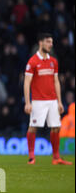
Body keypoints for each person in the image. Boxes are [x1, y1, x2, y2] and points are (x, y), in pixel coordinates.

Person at [24, 33, 72, 165]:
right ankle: (31, 157)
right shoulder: (32, 61)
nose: (51, 44)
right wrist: (28, 102)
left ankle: (56, 157)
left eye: (51, 42)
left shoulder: (53, 61)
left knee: (56, 127)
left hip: (52, 100)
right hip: (38, 100)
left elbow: (56, 81)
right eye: (48, 42)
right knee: (33, 127)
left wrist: (60, 101)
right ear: (41, 43)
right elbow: (27, 82)